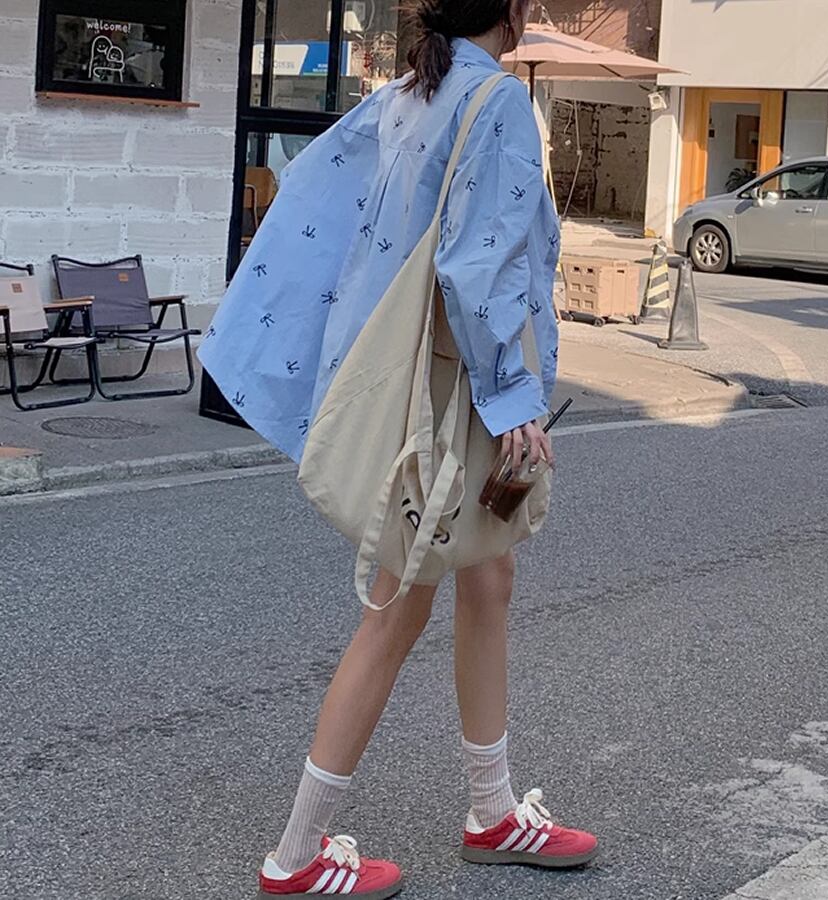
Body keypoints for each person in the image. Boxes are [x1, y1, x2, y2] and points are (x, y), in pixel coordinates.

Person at [199, 1, 598, 897]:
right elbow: (475, 265)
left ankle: (492, 808)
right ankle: (295, 857)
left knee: (489, 572)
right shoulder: (494, 99)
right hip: (453, 399)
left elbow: (325, 204)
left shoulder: (413, 90)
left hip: (424, 387)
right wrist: (513, 398)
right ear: (514, 9)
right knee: (397, 608)